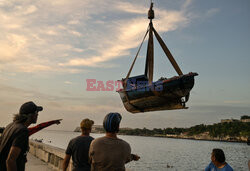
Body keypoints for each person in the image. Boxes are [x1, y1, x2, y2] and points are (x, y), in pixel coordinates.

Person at [0, 101, 43, 171]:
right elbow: (10, 160)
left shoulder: (11, 125)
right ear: (30, 115)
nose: (37, 115)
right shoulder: (22, 131)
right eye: (36, 112)